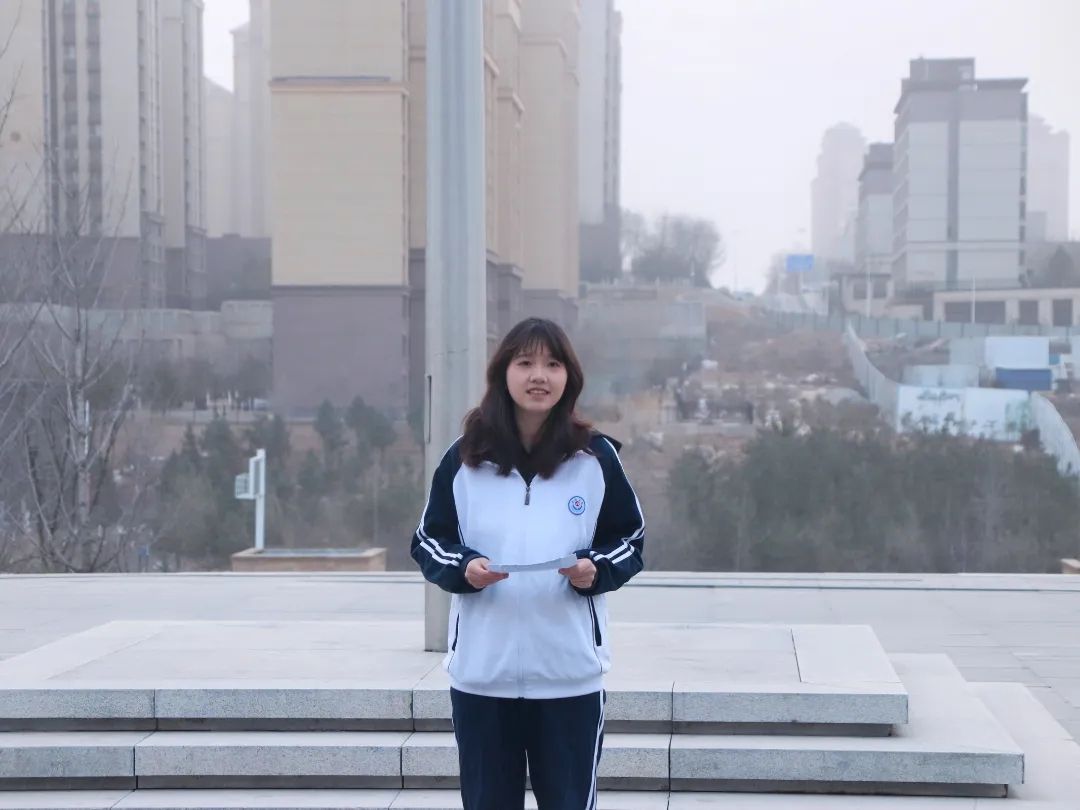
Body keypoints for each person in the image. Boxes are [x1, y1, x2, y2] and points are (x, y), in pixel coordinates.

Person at [411, 317, 645, 810]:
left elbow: (630, 539)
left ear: (569, 378)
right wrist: (465, 568)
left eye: (553, 364)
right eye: (525, 363)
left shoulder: (595, 458)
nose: (539, 375)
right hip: (483, 676)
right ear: (504, 373)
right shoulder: (465, 458)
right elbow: (429, 541)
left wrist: (595, 569)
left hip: (569, 677)